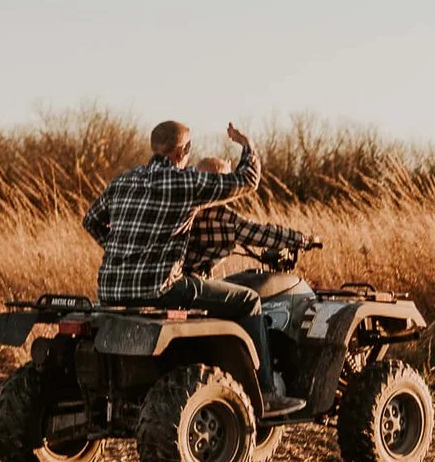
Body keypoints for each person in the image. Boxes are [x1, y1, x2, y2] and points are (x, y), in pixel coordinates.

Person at [82, 120, 306, 417]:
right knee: (249, 301)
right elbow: (248, 179)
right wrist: (247, 144)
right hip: (161, 288)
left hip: (111, 291)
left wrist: (119, 251)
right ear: (184, 150)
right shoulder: (184, 182)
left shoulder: (123, 181)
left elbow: (91, 221)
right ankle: (266, 393)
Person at [182, 157, 317, 279]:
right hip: (194, 284)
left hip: (177, 282)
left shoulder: (184, 205)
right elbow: (261, 234)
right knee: (249, 298)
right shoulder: (220, 216)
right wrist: (302, 240)